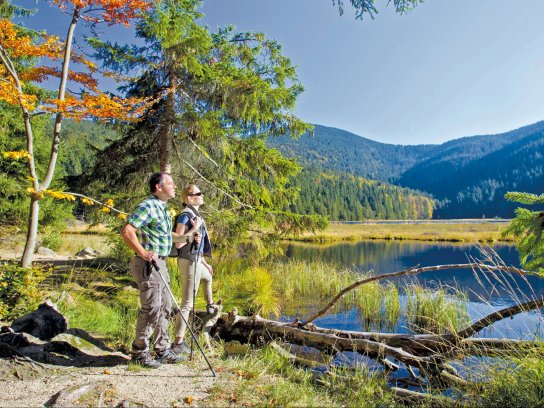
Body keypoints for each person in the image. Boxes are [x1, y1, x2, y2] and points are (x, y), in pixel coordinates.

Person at [120, 172, 188, 368]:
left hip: (162, 263)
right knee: (151, 308)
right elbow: (127, 231)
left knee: (165, 306)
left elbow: (167, 237)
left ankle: (162, 349)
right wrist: (143, 253)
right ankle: (139, 351)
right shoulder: (148, 206)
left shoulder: (163, 208)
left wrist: (190, 235)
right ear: (159, 187)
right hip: (149, 265)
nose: (175, 186)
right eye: (171, 183)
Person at [171, 184, 215, 354]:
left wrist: (205, 263)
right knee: (187, 303)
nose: (202, 195)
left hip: (196, 260)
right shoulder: (185, 216)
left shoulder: (196, 215)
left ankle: (210, 306)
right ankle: (178, 343)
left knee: (208, 277)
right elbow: (179, 242)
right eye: (199, 193)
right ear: (189, 198)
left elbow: (194, 243)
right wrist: (194, 229)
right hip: (188, 262)